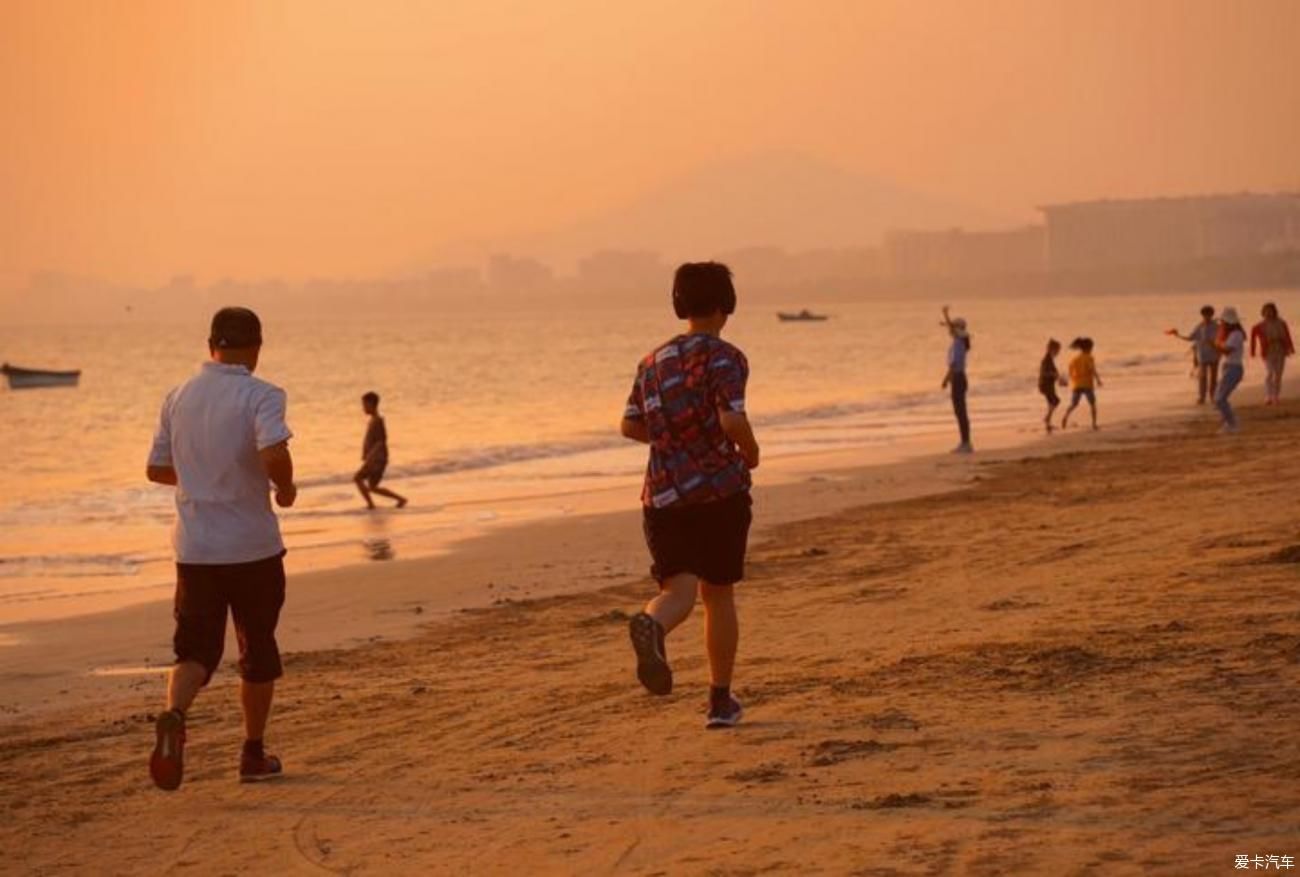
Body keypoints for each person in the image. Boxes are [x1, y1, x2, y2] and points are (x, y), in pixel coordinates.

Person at [146, 307, 297, 791]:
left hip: (195, 550)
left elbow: (157, 469)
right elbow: (274, 451)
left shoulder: (178, 396)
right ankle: (252, 754)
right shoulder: (262, 394)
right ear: (255, 348)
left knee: (194, 650)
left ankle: (174, 714)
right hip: (251, 546)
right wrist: (285, 489)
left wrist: (200, 477)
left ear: (210, 344)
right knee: (256, 648)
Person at [620, 262, 759, 729]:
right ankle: (720, 702)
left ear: (680, 305)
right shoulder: (726, 358)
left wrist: (672, 441)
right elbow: (731, 421)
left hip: (662, 496)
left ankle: (653, 625)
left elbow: (630, 425)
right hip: (719, 492)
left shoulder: (652, 361)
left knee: (676, 590)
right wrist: (751, 452)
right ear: (726, 305)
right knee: (717, 594)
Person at [354, 391, 408, 509]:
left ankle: (371, 505)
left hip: (377, 459)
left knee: (357, 478)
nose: (363, 408)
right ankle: (401, 499)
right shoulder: (373, 420)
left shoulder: (378, 420)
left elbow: (381, 441)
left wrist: (370, 456)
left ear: (372, 404)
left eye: (365, 405)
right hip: (376, 458)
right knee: (372, 487)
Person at [1167, 306, 1220, 404]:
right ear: (1202, 315)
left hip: (1214, 354)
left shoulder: (1216, 326)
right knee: (1202, 377)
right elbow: (1191, 338)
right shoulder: (1200, 326)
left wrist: (1218, 348)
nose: (1207, 316)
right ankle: (1202, 397)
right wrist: (1178, 335)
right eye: (1205, 315)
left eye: (1208, 315)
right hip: (1203, 355)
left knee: (1213, 378)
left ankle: (1213, 397)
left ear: (1212, 315)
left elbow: (1219, 339)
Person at [940, 305, 972, 453]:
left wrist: (946, 380)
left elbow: (954, 365)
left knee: (960, 412)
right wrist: (945, 317)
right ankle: (965, 442)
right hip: (959, 379)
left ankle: (966, 443)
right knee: (961, 412)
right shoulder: (959, 341)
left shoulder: (959, 343)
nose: (950, 331)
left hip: (958, 379)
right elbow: (952, 327)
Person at [1249, 303, 1295, 405]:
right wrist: (1252, 351)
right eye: (1266, 311)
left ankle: (1276, 396)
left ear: (1274, 311)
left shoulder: (1281, 323)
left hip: (1280, 350)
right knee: (1270, 373)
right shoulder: (1259, 326)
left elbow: (1287, 336)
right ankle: (1268, 395)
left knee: (1278, 374)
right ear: (1263, 312)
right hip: (1268, 351)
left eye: (1270, 311)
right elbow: (1253, 338)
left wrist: (1290, 348)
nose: (1269, 313)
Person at [1214, 307, 1247, 433]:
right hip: (1229, 367)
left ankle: (1232, 423)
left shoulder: (1236, 334)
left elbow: (1227, 350)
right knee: (1219, 397)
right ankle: (1229, 422)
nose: (1221, 324)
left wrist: (1216, 345)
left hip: (1234, 368)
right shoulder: (1231, 334)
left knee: (1220, 398)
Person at [1061, 337, 1102, 430]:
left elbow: (1070, 372)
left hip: (1077, 385)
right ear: (1089, 348)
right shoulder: (1089, 358)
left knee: (1073, 404)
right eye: (1092, 348)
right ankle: (1094, 424)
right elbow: (1092, 369)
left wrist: (1071, 381)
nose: (1092, 350)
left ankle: (1065, 417)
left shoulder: (1075, 359)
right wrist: (1098, 380)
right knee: (1092, 404)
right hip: (1087, 384)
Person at [1039, 338, 1068, 432]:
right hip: (1045, 385)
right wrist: (1055, 375)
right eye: (1057, 351)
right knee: (1055, 401)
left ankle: (1048, 424)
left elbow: (1054, 374)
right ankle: (1047, 418)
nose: (1058, 353)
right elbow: (1044, 372)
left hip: (1048, 385)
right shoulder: (1046, 360)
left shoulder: (1050, 359)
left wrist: (1060, 379)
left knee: (1051, 403)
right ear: (1052, 350)